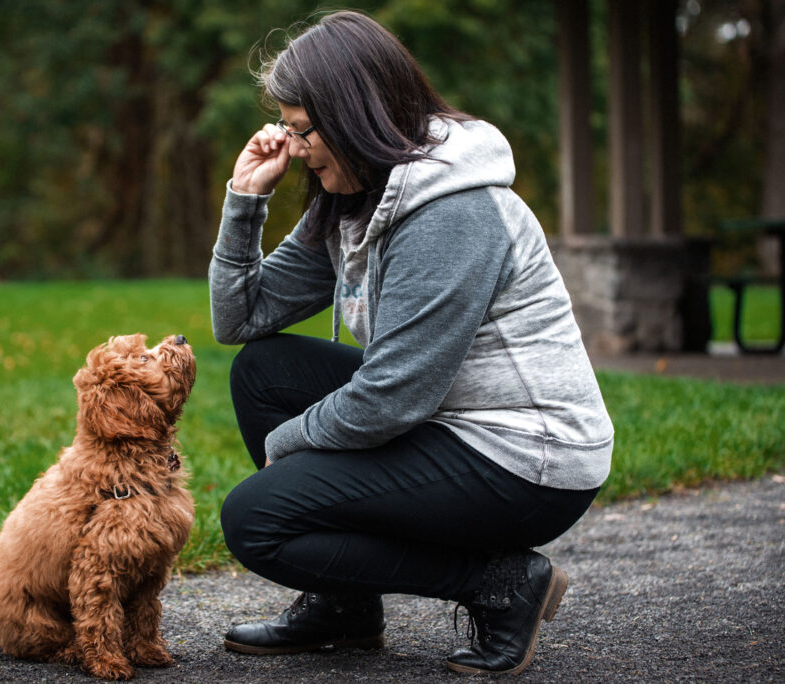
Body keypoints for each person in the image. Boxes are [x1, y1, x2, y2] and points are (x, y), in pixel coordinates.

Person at [208, 10, 613, 676]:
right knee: (264, 370)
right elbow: (240, 318)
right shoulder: (355, 196)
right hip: (448, 422)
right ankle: (344, 605)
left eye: (302, 129)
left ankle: (500, 585)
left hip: (527, 458)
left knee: (256, 520)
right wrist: (245, 200)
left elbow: (391, 399)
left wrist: (287, 447)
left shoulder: (450, 212)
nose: (295, 147)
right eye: (288, 128)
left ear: (351, 115)